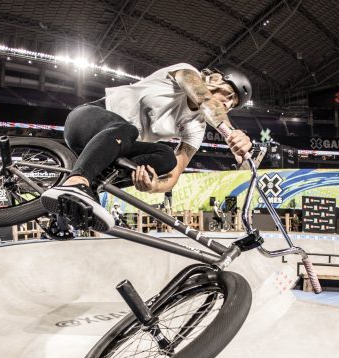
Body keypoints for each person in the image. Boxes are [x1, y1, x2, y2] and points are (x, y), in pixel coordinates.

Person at [40, 64, 254, 236]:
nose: (227, 105)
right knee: (128, 129)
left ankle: (64, 214)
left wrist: (153, 186)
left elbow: (174, 174)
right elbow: (206, 100)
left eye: (232, 104)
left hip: (113, 148)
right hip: (88, 120)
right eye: (227, 95)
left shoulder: (197, 127)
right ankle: (76, 183)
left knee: (166, 157)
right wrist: (230, 133)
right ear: (213, 79)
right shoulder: (186, 73)